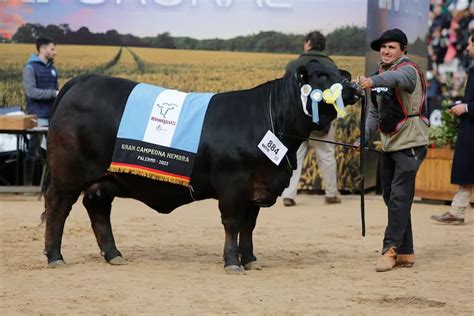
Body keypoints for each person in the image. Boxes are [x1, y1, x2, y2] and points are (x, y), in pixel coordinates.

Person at [358, 29, 429, 272]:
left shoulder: (408, 69)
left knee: (399, 197)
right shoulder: (378, 73)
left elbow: (396, 80)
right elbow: (374, 113)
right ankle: (406, 252)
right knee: (392, 197)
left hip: (412, 143)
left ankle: (389, 250)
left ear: (403, 50)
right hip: (389, 143)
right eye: (383, 47)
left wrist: (372, 81)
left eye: (392, 47)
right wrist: (365, 137)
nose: (386, 51)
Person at [282, 30, 341, 207]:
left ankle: (289, 195)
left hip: (297, 122)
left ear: (308, 44)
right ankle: (331, 194)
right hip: (322, 121)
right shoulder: (331, 65)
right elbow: (337, 93)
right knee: (327, 156)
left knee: (295, 157)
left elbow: (285, 92)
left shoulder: (294, 65)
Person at [431, 35, 474, 225]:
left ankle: (457, 211)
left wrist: (467, 108)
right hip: (470, 127)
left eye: (471, 42)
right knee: (467, 171)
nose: (467, 46)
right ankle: (457, 211)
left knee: (468, 170)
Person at [22, 37, 59, 185]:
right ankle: (27, 185)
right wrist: (54, 93)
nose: (54, 52)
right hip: (38, 116)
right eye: (52, 49)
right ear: (42, 50)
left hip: (52, 116)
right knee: (33, 151)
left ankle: (49, 186)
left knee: (53, 152)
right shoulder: (30, 68)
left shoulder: (52, 69)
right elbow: (31, 92)